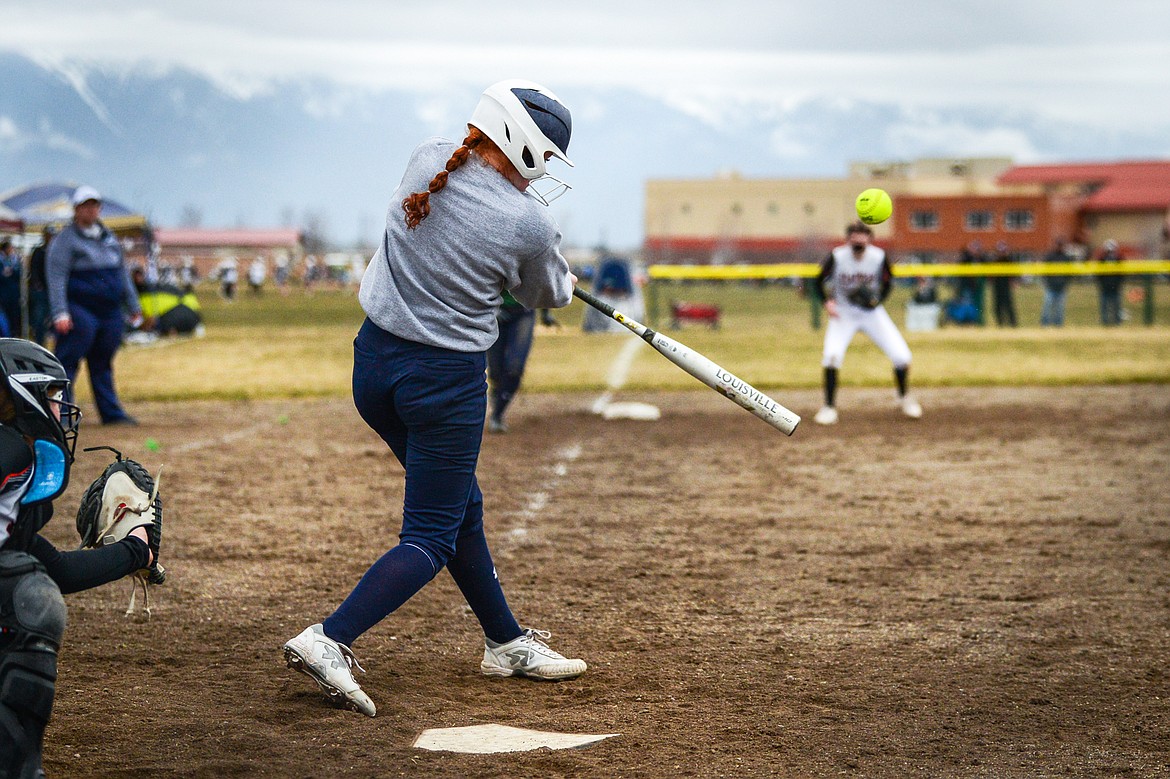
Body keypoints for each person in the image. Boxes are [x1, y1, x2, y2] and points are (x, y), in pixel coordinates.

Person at [283, 79, 585, 717]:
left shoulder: (427, 158)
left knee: (459, 507)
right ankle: (330, 637)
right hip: (443, 386)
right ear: (522, 145)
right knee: (430, 535)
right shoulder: (530, 223)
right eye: (545, 157)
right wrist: (564, 277)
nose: (544, 173)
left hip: (374, 369)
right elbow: (543, 297)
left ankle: (504, 642)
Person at [0, 338, 157, 776]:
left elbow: (56, 571)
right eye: (52, 396)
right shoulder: (9, 451)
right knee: (31, 601)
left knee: (28, 581)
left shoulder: (14, 463)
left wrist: (135, 551)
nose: (61, 407)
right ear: (21, 393)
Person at [46, 186, 143, 426]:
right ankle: (63, 417)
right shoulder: (65, 240)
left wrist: (133, 305)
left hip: (109, 311)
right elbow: (56, 277)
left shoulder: (107, 237)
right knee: (67, 362)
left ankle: (111, 413)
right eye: (85, 206)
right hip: (80, 309)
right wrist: (60, 312)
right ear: (76, 209)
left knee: (103, 362)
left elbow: (122, 273)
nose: (91, 210)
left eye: (94, 205)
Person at [813, 221, 921, 425]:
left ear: (870, 239)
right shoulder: (837, 256)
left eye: (862, 237)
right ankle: (828, 407)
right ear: (848, 239)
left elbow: (889, 282)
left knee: (902, 356)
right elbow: (818, 280)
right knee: (831, 357)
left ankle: (904, 398)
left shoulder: (878, 256)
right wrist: (827, 302)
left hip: (871, 314)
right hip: (843, 313)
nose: (858, 241)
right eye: (854, 237)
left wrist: (878, 300)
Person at [486, 291, 558, 433]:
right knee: (495, 371)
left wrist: (545, 311)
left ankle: (497, 414)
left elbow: (540, 277)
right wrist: (491, 309)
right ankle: (498, 394)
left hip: (523, 312)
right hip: (494, 312)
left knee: (515, 368)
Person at [27, 226, 56, 345]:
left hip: (53, 291)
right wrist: (37, 285)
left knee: (52, 317)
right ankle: (39, 341)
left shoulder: (57, 251)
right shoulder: (39, 251)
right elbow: (33, 270)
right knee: (40, 318)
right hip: (41, 291)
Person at [1041, 237, 1071, 327]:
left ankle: (1058, 325)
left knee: (1060, 308)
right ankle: (1045, 324)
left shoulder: (1066, 258)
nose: (1059, 247)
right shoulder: (1050, 257)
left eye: (1061, 245)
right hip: (1050, 287)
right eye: (1058, 245)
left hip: (1061, 287)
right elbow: (1044, 271)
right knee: (1047, 306)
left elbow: (1070, 273)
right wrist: (1047, 283)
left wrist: (1065, 283)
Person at [1096, 239, 1124, 326]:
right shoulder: (1102, 260)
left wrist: (1118, 283)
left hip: (1115, 287)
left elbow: (1122, 273)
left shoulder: (1119, 259)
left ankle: (1117, 323)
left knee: (1116, 306)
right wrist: (1102, 284)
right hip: (1105, 287)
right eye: (1108, 250)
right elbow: (1098, 274)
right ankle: (1105, 323)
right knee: (1104, 307)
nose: (1110, 252)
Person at [990, 240, 1017, 327]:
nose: (1001, 253)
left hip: (1006, 286)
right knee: (997, 306)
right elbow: (990, 275)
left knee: (1008, 306)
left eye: (1003, 251)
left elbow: (1014, 273)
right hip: (997, 286)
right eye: (1000, 251)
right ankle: (1000, 324)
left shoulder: (1009, 260)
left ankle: (1013, 325)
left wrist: (1013, 281)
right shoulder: (994, 261)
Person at [0, 240, 20, 339]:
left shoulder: (15, 260)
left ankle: (13, 334)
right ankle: (6, 335)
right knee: (4, 317)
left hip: (14, 293)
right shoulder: (1, 261)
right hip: (3, 294)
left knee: (14, 315)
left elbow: (19, 275)